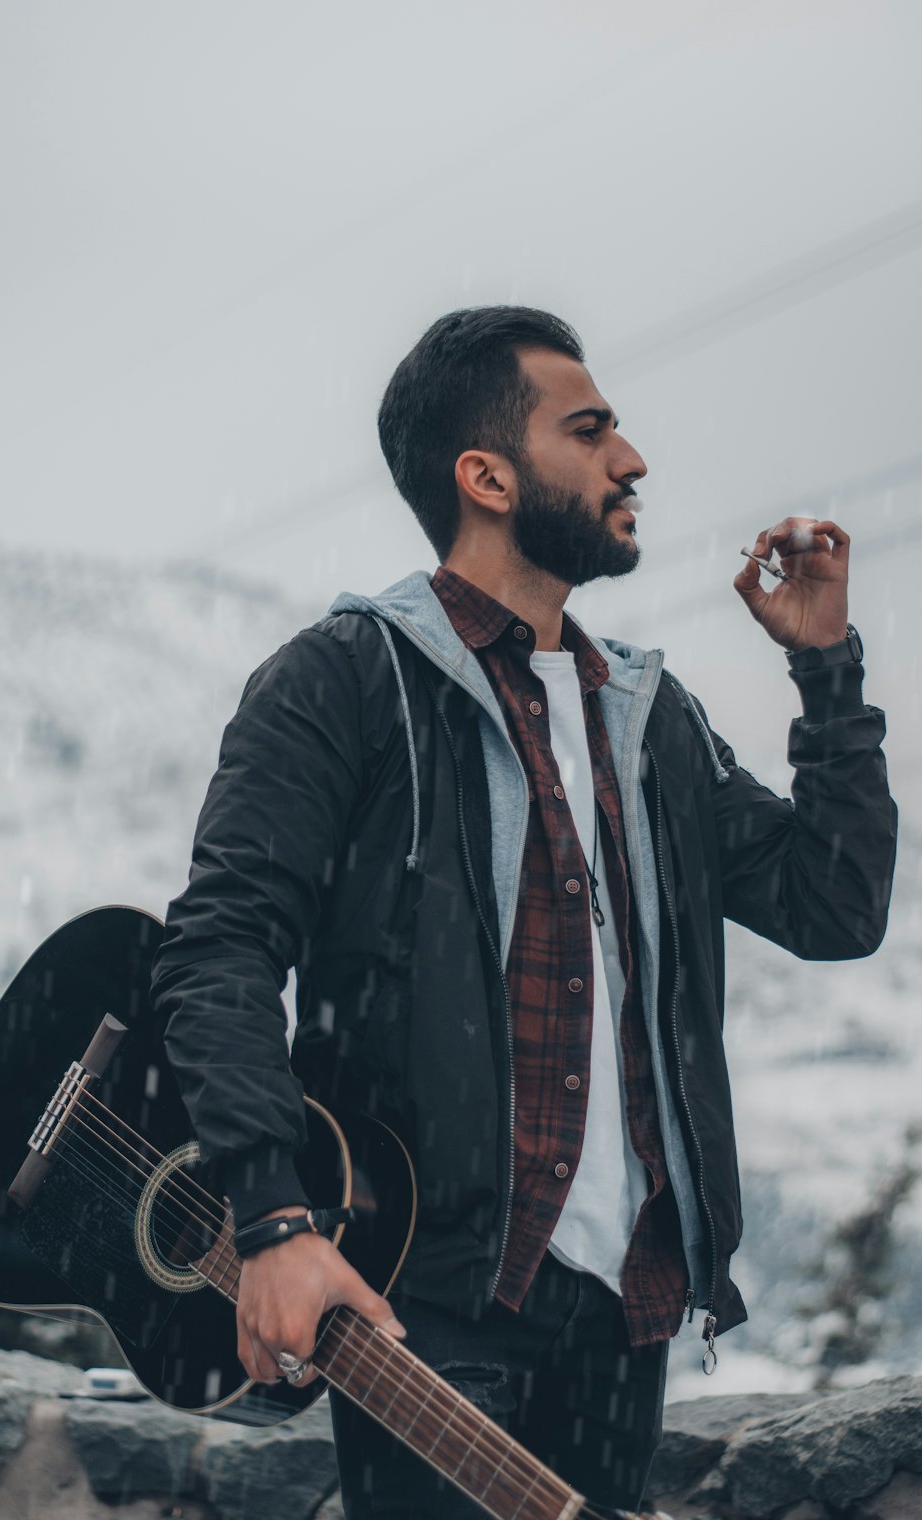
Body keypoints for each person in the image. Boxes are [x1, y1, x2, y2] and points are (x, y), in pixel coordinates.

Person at [151, 306, 897, 1516]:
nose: (633, 459)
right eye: (591, 429)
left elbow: (834, 901)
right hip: (425, 1297)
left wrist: (826, 668)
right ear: (485, 476)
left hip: (628, 1310)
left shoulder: (651, 721)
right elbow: (219, 952)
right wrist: (274, 1218)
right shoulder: (342, 679)